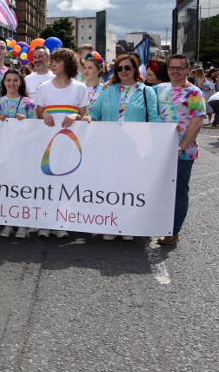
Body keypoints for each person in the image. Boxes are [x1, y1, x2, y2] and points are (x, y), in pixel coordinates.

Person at [87, 53, 161, 241]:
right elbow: (95, 112)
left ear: (135, 69)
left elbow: (153, 117)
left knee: (131, 186)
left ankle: (129, 225)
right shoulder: (108, 90)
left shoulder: (147, 92)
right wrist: (89, 118)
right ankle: (111, 223)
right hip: (110, 146)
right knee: (111, 185)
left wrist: (166, 136)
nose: (123, 71)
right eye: (119, 68)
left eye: (127, 67)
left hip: (134, 146)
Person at [35, 48, 88, 240]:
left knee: (65, 183)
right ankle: (45, 224)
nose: (53, 64)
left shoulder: (80, 88)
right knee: (47, 182)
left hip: (70, 144)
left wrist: (76, 115)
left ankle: (61, 223)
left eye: (57, 61)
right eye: (53, 61)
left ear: (68, 63)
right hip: (48, 143)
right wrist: (44, 114)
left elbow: (84, 114)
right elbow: (38, 112)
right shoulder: (43, 87)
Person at [155, 54, 205, 245]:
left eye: (180, 68)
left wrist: (179, 148)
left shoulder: (194, 93)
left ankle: (173, 231)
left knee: (178, 192)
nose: (175, 71)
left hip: (182, 153)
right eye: (172, 68)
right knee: (157, 190)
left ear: (188, 70)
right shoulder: (160, 89)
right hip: (159, 151)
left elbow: (196, 123)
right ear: (167, 70)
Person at [0, 70, 36, 238]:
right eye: (8, 80)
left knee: (22, 188)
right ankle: (7, 222)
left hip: (22, 152)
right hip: (5, 152)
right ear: (4, 83)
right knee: (7, 188)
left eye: (15, 80)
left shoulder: (28, 103)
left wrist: (26, 122)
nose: (11, 83)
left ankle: (22, 224)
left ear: (20, 82)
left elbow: (36, 128)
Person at [81, 52, 105, 116]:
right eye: (84, 68)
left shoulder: (105, 89)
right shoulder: (79, 88)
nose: (86, 71)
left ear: (99, 70)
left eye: (90, 68)